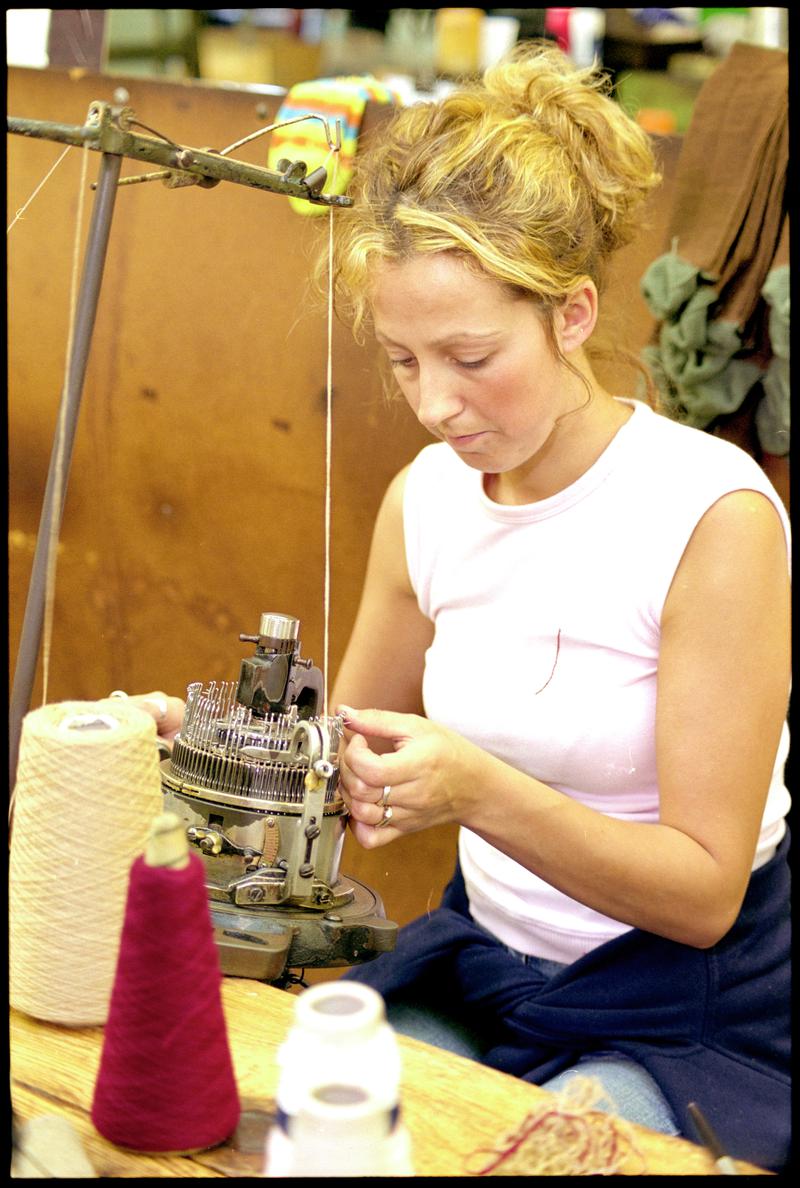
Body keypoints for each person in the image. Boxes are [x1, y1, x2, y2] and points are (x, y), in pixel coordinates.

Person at [134, 43, 790, 1170]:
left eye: (470, 355)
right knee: (315, 1121)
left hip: (684, 1005)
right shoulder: (427, 501)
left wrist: (478, 789)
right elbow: (342, 756)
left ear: (572, 314)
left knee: (546, 1152)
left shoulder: (709, 519)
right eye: (400, 361)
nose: (434, 404)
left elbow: (700, 896)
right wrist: (202, 749)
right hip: (482, 958)